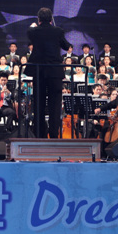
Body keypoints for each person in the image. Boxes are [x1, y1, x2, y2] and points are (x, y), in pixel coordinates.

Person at [26, 7, 72, 138]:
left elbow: (30, 32)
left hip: (39, 71)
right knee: (55, 105)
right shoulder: (58, 31)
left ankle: (39, 134)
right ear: (51, 19)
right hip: (55, 72)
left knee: (39, 104)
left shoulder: (33, 31)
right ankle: (53, 135)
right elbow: (66, 46)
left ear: (39, 19)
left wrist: (33, 26)